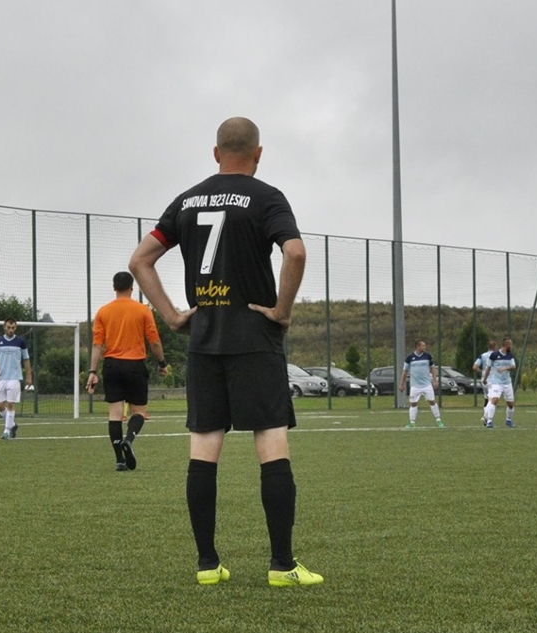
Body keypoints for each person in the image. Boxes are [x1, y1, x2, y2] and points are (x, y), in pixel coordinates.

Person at [128, 117, 322, 587]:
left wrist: (173, 316)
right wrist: (281, 311)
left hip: (204, 340)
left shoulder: (187, 200)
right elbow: (295, 253)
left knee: (204, 450)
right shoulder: (267, 197)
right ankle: (281, 566)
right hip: (255, 339)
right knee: (271, 445)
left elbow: (139, 260)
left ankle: (208, 565)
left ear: (216, 154)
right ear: (258, 154)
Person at [86, 271, 169, 471]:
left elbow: (97, 345)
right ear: (132, 287)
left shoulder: (103, 312)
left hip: (111, 366)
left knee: (115, 414)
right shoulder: (143, 310)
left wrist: (92, 371)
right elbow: (154, 342)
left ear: (114, 287)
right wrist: (162, 363)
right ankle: (129, 440)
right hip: (135, 366)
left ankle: (120, 460)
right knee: (139, 412)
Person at [0, 317, 33, 440]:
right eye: (9, 327)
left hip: (14, 377)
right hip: (0, 378)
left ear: (16, 328)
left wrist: (29, 376)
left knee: (10, 404)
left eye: (13, 328)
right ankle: (12, 425)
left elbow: (26, 359)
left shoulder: (20, 342)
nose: (11, 330)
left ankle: (7, 431)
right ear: (4, 327)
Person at [398, 339, 443, 428]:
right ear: (417, 346)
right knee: (413, 403)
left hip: (427, 385)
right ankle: (412, 422)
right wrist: (401, 384)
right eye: (423, 345)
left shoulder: (427, 356)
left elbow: (432, 368)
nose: (425, 347)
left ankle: (439, 421)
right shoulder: (410, 358)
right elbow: (405, 371)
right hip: (415, 386)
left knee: (432, 401)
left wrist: (435, 380)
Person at [482, 336, 517, 428]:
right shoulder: (494, 355)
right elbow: (488, 367)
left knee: (510, 404)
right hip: (496, 382)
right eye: (510, 344)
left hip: (507, 383)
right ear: (507, 345)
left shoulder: (510, 355)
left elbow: (513, 366)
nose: (511, 346)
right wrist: (485, 379)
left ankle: (508, 420)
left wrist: (504, 368)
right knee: (494, 400)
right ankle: (489, 421)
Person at [472, 340, 497, 420]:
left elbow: (475, 367)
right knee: (492, 399)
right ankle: (485, 416)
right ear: (495, 347)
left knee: (486, 398)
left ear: (488, 347)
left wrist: (482, 372)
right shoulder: (497, 355)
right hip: (493, 380)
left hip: (484, 379)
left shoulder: (482, 355)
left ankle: (486, 417)